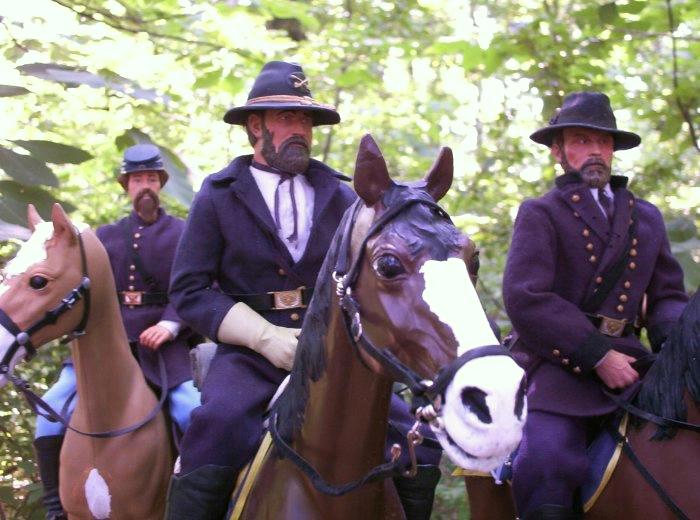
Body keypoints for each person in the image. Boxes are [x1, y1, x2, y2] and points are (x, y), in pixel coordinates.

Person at [165, 61, 442, 520]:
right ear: (256, 127)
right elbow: (190, 290)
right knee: (216, 427)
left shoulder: (345, 196)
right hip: (249, 356)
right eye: (287, 118)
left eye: (306, 120)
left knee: (414, 440)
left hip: (338, 356)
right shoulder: (218, 194)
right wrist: (264, 337)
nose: (300, 130)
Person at [502, 91, 688, 520]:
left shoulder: (647, 217)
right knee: (546, 458)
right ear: (558, 151)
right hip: (561, 367)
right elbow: (526, 299)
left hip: (635, 368)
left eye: (603, 142)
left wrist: (677, 353)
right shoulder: (540, 213)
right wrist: (597, 356)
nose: (596, 151)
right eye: (582, 140)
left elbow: (667, 297)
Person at [33, 144, 201, 520]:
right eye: (137, 180)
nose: (145, 186)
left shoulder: (184, 233)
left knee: (191, 411)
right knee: (50, 410)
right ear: (126, 186)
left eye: (151, 179)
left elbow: (196, 286)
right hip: (102, 348)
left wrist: (170, 324)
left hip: (162, 351)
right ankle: (55, 507)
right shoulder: (103, 237)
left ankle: (190, 503)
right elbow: (80, 289)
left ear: (160, 184)